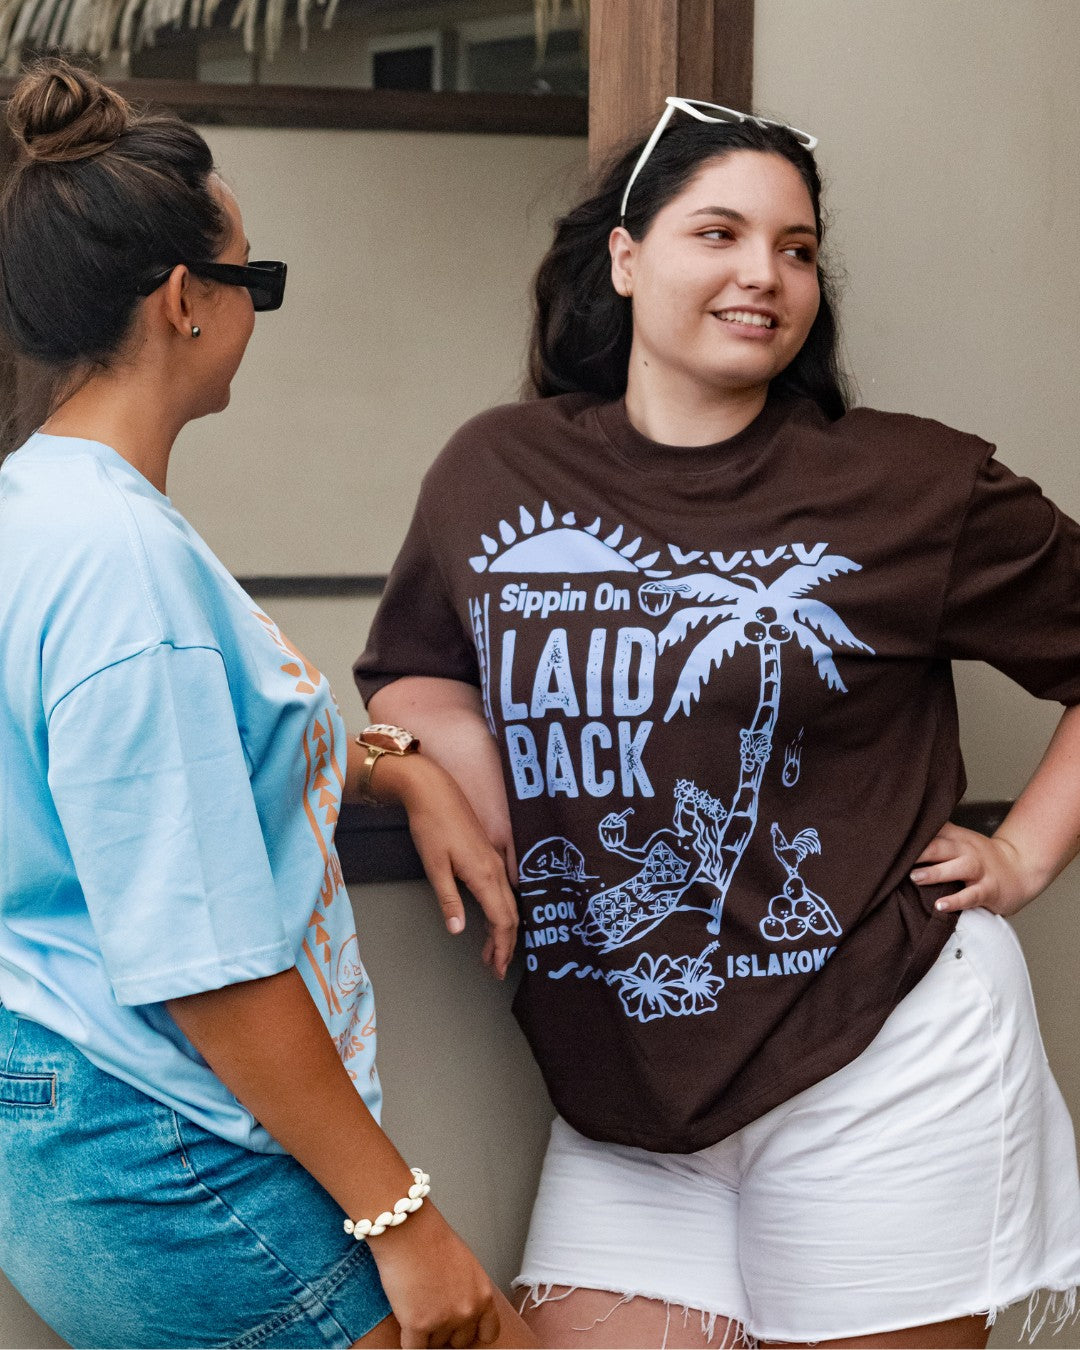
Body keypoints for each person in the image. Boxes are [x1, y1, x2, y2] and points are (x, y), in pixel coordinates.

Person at [355, 97, 1080, 1349]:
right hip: (625, 1089)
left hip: (880, 1053)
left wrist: (1026, 853)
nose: (765, 274)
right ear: (626, 258)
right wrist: (443, 771)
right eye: (722, 233)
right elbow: (414, 670)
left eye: (796, 249)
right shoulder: (496, 469)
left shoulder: (912, 484)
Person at [0, 57, 534, 1350]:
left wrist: (391, 761)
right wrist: (406, 1219)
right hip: (168, 1144)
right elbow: (207, 957)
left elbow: (159, 788)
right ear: (186, 300)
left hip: (73, 1116)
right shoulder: (123, 563)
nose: (258, 310)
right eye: (260, 281)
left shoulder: (37, 509)